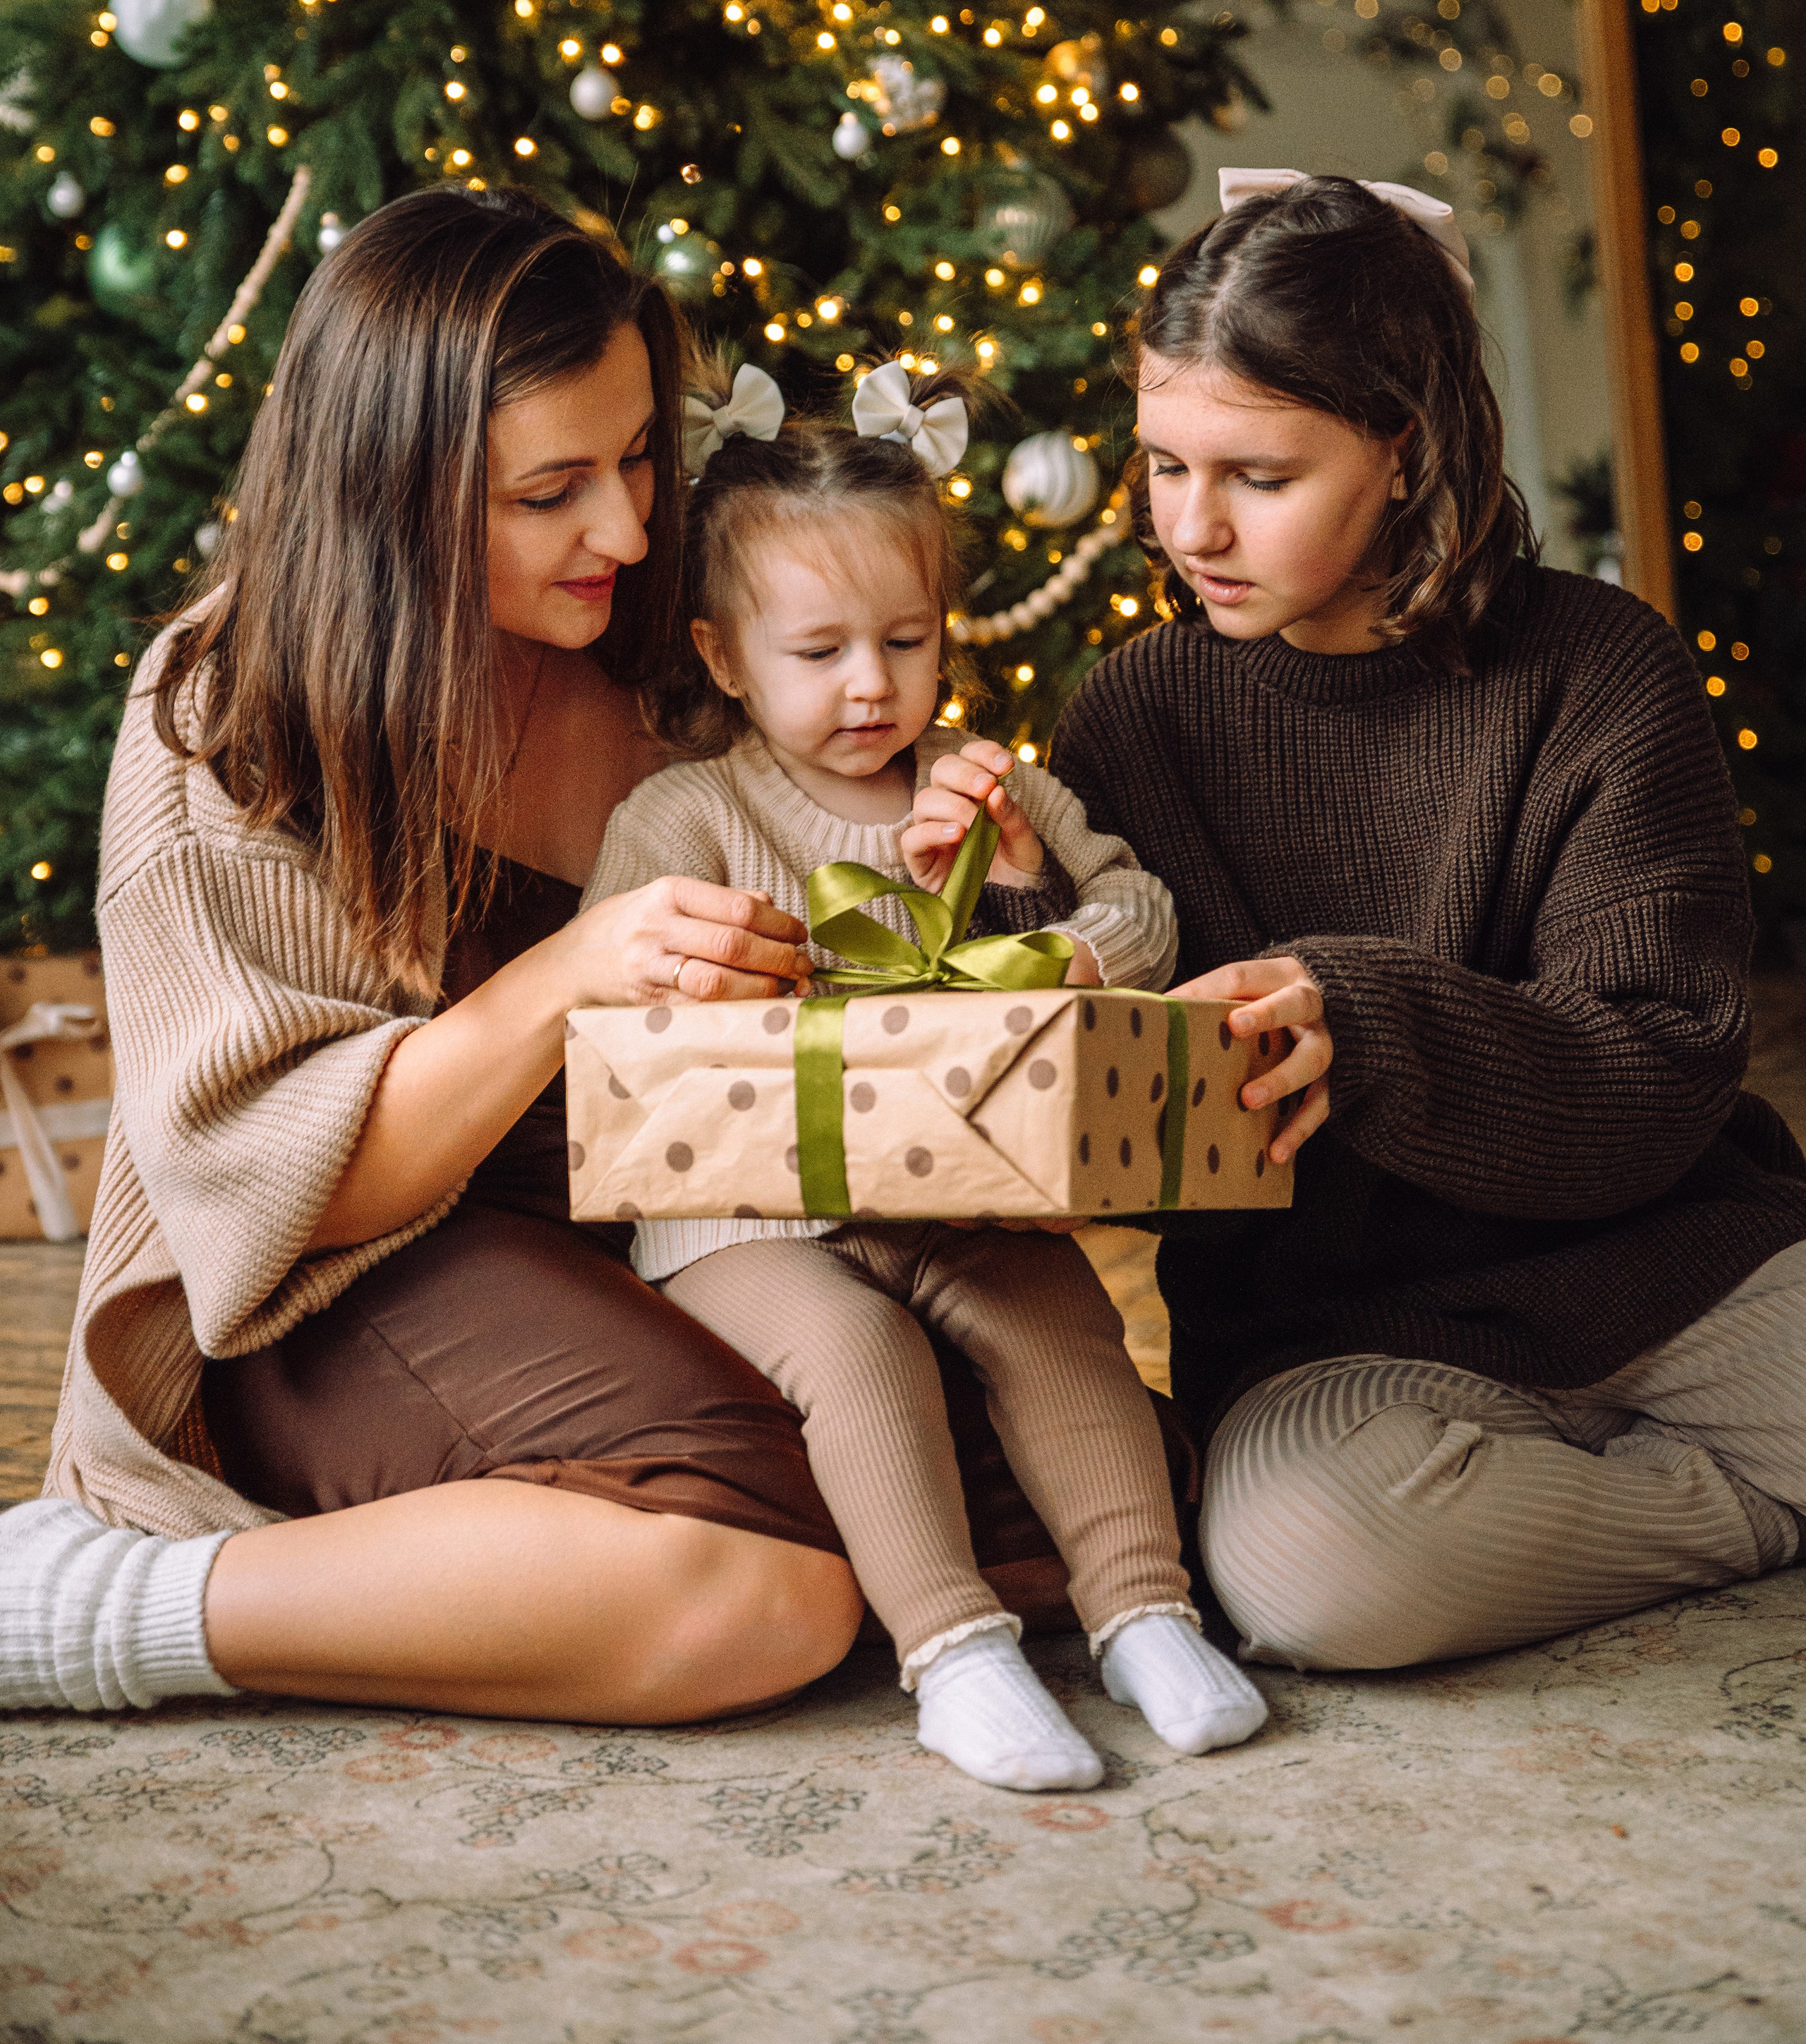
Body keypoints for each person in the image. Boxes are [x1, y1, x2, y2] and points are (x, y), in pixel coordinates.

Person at [1, 186, 875, 1722]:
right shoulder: (233, 712)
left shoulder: (679, 655)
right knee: (773, 1580)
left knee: (1018, 1485)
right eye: (550, 491)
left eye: (638, 458)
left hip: (640, 1246)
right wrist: (569, 972)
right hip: (330, 1287)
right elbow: (277, 1195)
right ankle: (109, 1602)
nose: (626, 529)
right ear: (391, 490)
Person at [1048, 167, 1806, 1674]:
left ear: (1403, 448)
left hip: (1668, 1269)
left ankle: (1634, 1492)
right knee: (1308, 1573)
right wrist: (1020, 915)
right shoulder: (1131, 716)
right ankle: (1745, 1507)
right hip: (1345, 1337)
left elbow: (1664, 1074)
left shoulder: (1601, 668)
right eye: (1163, 463)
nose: (1190, 526)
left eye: (1258, 476)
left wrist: (1366, 1022)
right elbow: (1138, 1148)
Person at [583, 358, 1268, 1790]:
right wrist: (708, 974)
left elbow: (1141, 915)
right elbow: (613, 1014)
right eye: (818, 649)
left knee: (1059, 1314)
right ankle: (954, 1654)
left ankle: (1145, 1612)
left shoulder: (981, 783)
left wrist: (1031, 908)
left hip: (958, 1194)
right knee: (856, 1347)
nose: (871, 683)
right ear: (723, 656)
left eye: (905, 640)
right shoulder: (684, 814)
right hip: (742, 1218)